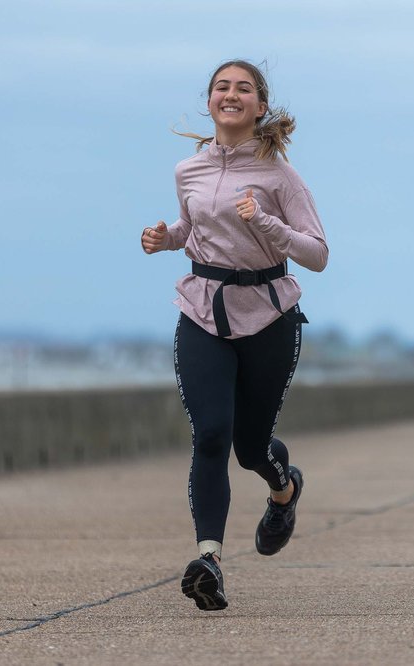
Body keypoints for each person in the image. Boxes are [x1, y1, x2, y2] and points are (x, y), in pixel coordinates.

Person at [140, 60, 328, 611]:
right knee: (211, 435)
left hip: (268, 316)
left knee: (250, 448)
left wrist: (265, 223)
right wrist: (166, 237)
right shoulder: (188, 171)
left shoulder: (280, 176)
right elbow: (195, 227)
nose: (231, 94)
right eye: (222, 87)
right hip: (202, 310)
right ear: (210, 101)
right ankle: (209, 561)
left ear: (260, 107)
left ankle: (284, 488)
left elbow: (317, 254)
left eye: (243, 88)